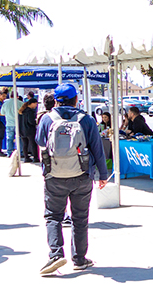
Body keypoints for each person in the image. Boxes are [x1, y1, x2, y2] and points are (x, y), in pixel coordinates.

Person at [36, 83, 109, 275]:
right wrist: (102, 175)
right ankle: (79, 259)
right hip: (82, 175)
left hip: (54, 175)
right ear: (76, 99)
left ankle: (55, 254)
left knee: (53, 216)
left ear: (56, 100)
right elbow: (97, 149)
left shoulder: (47, 118)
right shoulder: (86, 119)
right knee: (79, 218)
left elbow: (40, 142)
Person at [19, 97, 40, 162]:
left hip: (22, 129)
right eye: (35, 104)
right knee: (33, 144)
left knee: (25, 144)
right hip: (30, 130)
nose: (36, 105)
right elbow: (31, 121)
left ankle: (26, 158)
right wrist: (36, 122)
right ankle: (35, 158)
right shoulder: (30, 111)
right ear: (32, 104)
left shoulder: (21, 111)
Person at [1, 90, 20, 157]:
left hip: (9, 123)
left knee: (9, 139)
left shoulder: (5, 103)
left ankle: (9, 153)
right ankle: (19, 152)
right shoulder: (20, 103)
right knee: (18, 138)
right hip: (18, 124)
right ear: (17, 96)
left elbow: (2, 113)